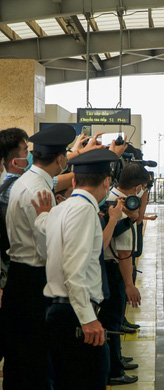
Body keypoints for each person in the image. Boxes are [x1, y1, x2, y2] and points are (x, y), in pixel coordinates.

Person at [33, 148, 120, 390]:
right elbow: (74, 269)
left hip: (58, 313)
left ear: (73, 180)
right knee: (89, 379)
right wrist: (88, 319)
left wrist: (41, 217)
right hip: (74, 316)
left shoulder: (61, 209)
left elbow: (44, 230)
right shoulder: (84, 211)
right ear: (106, 181)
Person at [1, 123, 76, 390]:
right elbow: (47, 249)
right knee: (36, 360)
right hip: (34, 280)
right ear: (60, 159)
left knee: (19, 358)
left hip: (20, 277)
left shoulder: (28, 181)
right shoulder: (39, 191)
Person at [101, 163, 150, 386]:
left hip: (113, 270)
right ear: (138, 186)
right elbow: (123, 253)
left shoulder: (118, 201)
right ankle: (114, 371)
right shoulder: (118, 207)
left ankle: (117, 359)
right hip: (114, 271)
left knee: (115, 320)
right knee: (112, 323)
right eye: (143, 189)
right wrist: (129, 284)